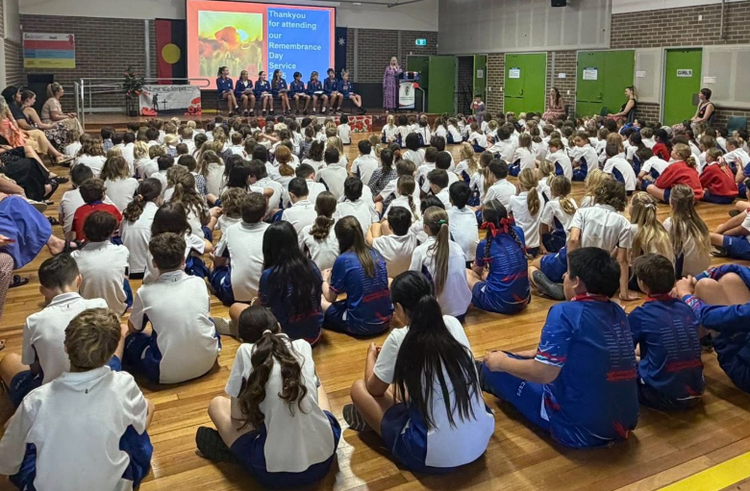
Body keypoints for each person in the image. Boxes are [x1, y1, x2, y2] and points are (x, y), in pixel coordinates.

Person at [480, 247, 639, 448]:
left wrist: (502, 362)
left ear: (576, 282)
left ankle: (479, 373)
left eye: (567, 273)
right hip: (625, 421)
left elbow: (544, 373)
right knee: (517, 361)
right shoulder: (617, 311)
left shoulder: (564, 312)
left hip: (579, 429)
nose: (564, 276)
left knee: (494, 367)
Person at [345, 271, 494, 472]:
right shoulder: (452, 323)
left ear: (399, 308)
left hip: (432, 456)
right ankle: (378, 418)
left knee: (359, 389)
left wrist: (370, 357)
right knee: (409, 387)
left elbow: (374, 389)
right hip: (481, 440)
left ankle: (374, 421)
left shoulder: (400, 337)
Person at [0, 308, 154, 491]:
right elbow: (140, 425)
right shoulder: (125, 383)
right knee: (146, 410)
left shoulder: (36, 400)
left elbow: (7, 463)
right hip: (115, 484)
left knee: (21, 450)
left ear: (65, 346)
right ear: (113, 352)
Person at [196, 306, 340, 487]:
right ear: (278, 326)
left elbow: (237, 415)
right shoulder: (303, 346)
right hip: (325, 458)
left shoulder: (245, 352)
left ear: (242, 339)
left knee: (217, 405)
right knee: (316, 386)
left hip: (275, 475)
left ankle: (242, 456)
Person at [0, 254, 111, 407]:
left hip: (54, 396)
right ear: (79, 279)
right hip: (99, 386)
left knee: (9, 360)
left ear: (42, 290)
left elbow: (34, 370)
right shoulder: (101, 305)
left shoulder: (34, 321)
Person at [125, 233, 220, 384]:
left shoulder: (145, 292)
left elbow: (134, 328)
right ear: (183, 260)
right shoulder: (199, 282)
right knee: (207, 322)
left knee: (130, 338)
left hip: (164, 373)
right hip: (209, 361)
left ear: (154, 263)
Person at [629, 254, 704, 410]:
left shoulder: (641, 314)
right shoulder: (685, 307)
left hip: (662, 396)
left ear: (642, 284)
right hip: (697, 390)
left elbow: (622, 351)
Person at [676, 264, 750, 393]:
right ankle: (697, 338)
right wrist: (695, 279)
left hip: (745, 370)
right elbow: (738, 269)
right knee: (730, 278)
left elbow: (708, 317)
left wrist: (685, 294)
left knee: (704, 287)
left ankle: (675, 345)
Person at [322, 216, 393, 336]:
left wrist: (324, 279)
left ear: (340, 238)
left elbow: (330, 297)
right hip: (386, 320)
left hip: (360, 325)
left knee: (321, 301)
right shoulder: (375, 253)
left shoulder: (343, 260)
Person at [256, 221, 324, 343]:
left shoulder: (269, 275)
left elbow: (266, 310)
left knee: (238, 309)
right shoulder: (312, 266)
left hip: (285, 340)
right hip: (314, 335)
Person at [467, 199, 530, 315]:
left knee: (466, 273)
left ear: (485, 221)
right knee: (491, 275)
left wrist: (474, 267)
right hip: (524, 298)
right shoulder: (518, 231)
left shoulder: (484, 244)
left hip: (500, 302)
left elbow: (477, 271)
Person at [409, 207, 471, 319]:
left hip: (437, 315)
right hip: (462, 310)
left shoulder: (421, 251)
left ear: (425, 228)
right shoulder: (457, 247)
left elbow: (412, 281)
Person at [210, 192, 268, 306]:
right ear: (264, 214)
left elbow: (218, 262)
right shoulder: (271, 230)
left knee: (213, 267)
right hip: (266, 294)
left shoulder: (230, 230)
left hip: (234, 296)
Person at [71, 211, 131, 315]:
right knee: (124, 277)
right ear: (111, 232)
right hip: (116, 310)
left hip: (87, 310)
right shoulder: (122, 251)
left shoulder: (75, 256)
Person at [664, 185, 710, 278]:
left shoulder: (671, 223)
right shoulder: (700, 222)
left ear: (671, 202)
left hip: (683, 274)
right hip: (702, 271)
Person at [368, 206, 417, 278]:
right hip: (406, 273)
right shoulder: (413, 237)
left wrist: (370, 226)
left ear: (390, 227)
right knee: (382, 224)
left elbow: (368, 240)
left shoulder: (383, 242)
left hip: (388, 276)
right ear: (410, 224)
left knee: (376, 225)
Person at [301, 191, 340, 271]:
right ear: (334, 209)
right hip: (336, 274)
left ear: (315, 208)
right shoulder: (340, 230)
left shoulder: (306, 231)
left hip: (314, 275)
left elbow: (299, 254)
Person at [540, 176, 577, 253]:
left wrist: (541, 243)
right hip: (575, 238)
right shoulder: (572, 201)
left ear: (552, 189)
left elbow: (543, 228)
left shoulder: (551, 204)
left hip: (562, 240)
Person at [509, 168, 542, 256]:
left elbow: (505, 213)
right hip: (534, 247)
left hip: (519, 247)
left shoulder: (513, 199)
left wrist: (516, 194)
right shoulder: (540, 197)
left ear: (519, 184)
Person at [447, 181, 479, 262]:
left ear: (450, 199)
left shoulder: (447, 214)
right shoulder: (472, 213)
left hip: (458, 259)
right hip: (474, 256)